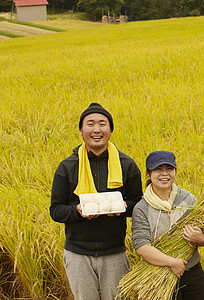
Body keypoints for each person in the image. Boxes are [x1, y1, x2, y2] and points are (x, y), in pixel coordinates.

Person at [50, 103, 143, 300]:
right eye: (90, 124)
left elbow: (139, 205)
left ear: (110, 130)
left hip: (115, 253)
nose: (96, 129)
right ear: (81, 130)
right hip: (77, 254)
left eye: (102, 123)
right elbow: (56, 210)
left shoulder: (127, 165)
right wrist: (77, 210)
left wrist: (124, 207)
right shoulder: (67, 167)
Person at [131, 151, 204, 299]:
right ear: (148, 174)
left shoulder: (188, 200)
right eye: (158, 169)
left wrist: (201, 238)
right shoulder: (142, 208)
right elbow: (142, 247)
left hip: (193, 271)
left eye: (169, 169)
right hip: (159, 274)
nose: (164, 174)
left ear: (175, 172)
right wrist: (171, 262)